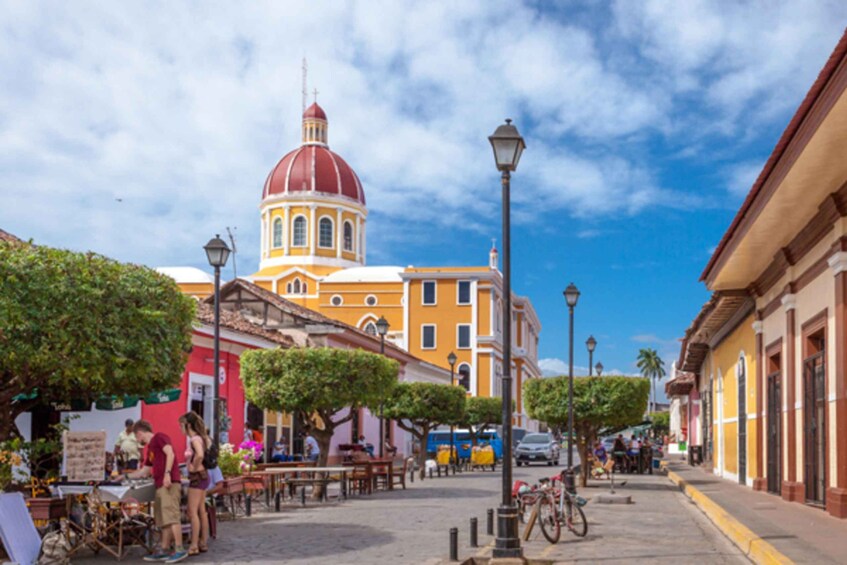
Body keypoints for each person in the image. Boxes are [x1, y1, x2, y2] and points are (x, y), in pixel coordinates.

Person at [124, 420, 187, 564]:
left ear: (140, 433)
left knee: (171, 516)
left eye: (136, 437)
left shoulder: (159, 437)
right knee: (163, 519)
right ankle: (164, 549)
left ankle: (179, 549)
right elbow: (144, 471)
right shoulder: (151, 448)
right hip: (159, 485)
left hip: (168, 483)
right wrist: (125, 476)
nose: (137, 440)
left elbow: (170, 453)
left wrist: (167, 474)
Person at [179, 412, 210, 556]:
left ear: (188, 425)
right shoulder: (201, 437)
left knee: (192, 512)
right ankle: (203, 541)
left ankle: (194, 545)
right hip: (204, 476)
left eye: (182, 425)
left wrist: (193, 466)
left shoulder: (194, 439)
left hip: (197, 477)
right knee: (201, 510)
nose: (180, 428)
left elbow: (200, 455)